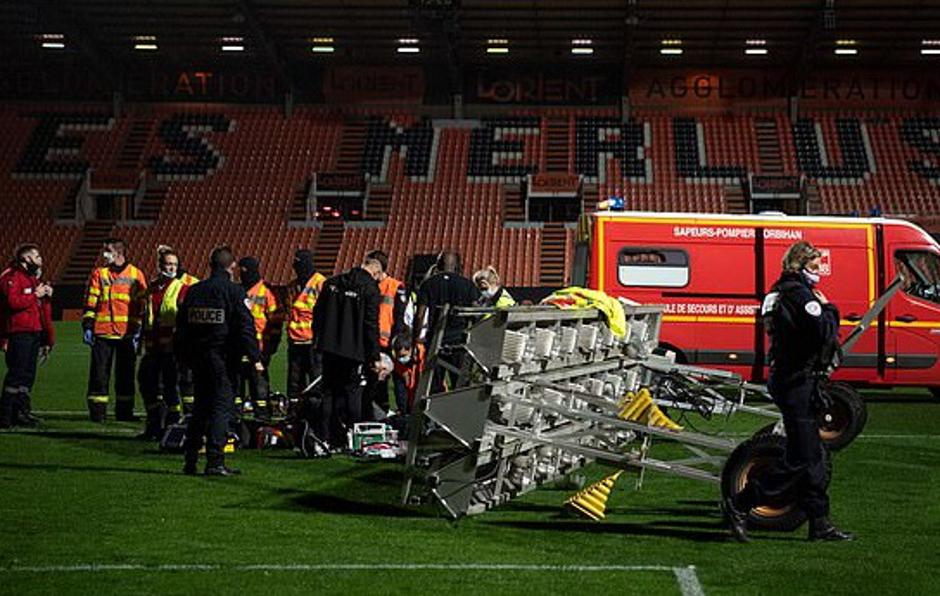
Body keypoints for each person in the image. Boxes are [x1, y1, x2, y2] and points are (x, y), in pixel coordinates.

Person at [725, 241, 854, 542]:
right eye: (814, 265)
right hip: (796, 380)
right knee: (803, 458)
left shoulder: (778, 292)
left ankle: (820, 522)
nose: (819, 271)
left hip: (791, 378)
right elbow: (823, 330)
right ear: (799, 265)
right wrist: (829, 307)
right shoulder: (798, 294)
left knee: (813, 458)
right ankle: (740, 503)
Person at [176, 246, 261, 476]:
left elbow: (182, 328)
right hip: (223, 359)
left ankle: (190, 459)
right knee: (221, 408)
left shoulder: (194, 291)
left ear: (210, 265)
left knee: (200, 408)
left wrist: (182, 357)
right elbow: (245, 327)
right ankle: (215, 460)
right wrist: (255, 357)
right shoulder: (234, 292)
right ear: (231, 266)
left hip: (198, 358)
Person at [311, 254, 383, 449]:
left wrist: (318, 338)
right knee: (352, 392)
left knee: (328, 392)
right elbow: (370, 325)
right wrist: (374, 356)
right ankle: (353, 438)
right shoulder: (369, 289)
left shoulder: (332, 283)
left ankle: (324, 437)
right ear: (375, 272)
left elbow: (318, 313)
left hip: (328, 347)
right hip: (353, 350)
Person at [82, 238, 148, 423]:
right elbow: (91, 302)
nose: (104, 254)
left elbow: (142, 304)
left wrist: (139, 330)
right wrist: (88, 325)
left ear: (118, 252)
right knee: (99, 375)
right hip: (102, 332)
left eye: (107, 251)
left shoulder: (136, 274)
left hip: (127, 333)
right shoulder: (99, 274)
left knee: (125, 376)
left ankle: (125, 412)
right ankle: (97, 413)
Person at [137, 246, 193, 440]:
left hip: (172, 348)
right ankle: (154, 425)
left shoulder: (181, 288)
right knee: (147, 383)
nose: (171, 268)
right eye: (168, 264)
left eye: (174, 264)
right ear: (160, 265)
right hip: (153, 347)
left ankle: (171, 424)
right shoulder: (153, 287)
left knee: (170, 387)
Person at [0, 244, 55, 428]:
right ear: (26, 259)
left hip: (33, 332)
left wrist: (45, 295)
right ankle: (6, 415)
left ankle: (22, 412)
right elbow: (12, 302)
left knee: (27, 376)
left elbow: (39, 309)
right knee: (16, 374)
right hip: (18, 332)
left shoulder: (30, 278)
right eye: (37, 256)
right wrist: (35, 294)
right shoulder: (11, 277)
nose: (40, 259)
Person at [413, 251, 480, 393]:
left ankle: (433, 414)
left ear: (438, 265)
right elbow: (475, 314)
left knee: (434, 386)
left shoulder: (428, 284)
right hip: (459, 343)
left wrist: (415, 340)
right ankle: (459, 414)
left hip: (436, 342)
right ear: (457, 266)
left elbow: (419, 315)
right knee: (461, 386)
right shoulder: (468, 285)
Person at [363, 249, 408, 420]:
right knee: (375, 381)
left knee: (396, 379)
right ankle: (379, 413)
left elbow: (399, 317)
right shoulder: (369, 285)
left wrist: (395, 341)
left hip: (389, 342)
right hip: (372, 341)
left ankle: (402, 414)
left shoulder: (396, 286)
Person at [236, 257, 279, 418]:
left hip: (259, 350)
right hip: (239, 349)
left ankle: (262, 420)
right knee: (236, 390)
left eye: (244, 270)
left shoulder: (266, 291)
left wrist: (270, 348)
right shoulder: (237, 290)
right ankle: (236, 424)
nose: (241, 274)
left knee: (259, 388)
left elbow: (275, 321)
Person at [285, 249, 326, 409]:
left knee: (316, 382)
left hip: (312, 342)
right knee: (294, 384)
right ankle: (295, 412)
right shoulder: (293, 286)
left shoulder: (320, 283)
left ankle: (317, 412)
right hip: (295, 341)